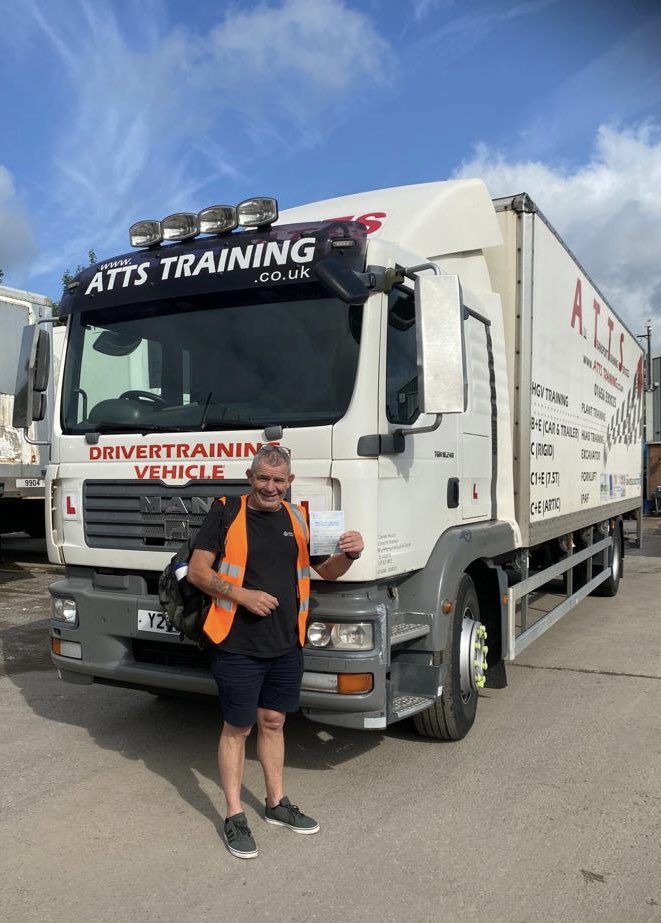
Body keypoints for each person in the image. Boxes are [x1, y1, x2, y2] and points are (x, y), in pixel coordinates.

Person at [188, 444, 364, 860]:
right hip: (236, 642)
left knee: (274, 722)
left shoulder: (299, 517)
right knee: (238, 728)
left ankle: (275, 804)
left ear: (290, 482)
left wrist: (350, 555)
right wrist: (243, 596)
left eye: (278, 480)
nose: (271, 487)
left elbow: (325, 570)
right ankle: (234, 814)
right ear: (250, 478)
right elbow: (198, 571)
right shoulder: (226, 511)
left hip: (286, 642)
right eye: (263, 478)